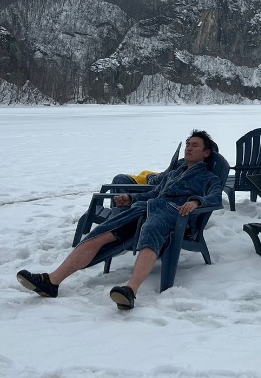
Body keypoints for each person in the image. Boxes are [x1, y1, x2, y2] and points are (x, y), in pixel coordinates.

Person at [16, 130, 222, 311]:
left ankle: (130, 290)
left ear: (206, 153)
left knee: (151, 229)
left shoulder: (207, 177)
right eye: (187, 144)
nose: (188, 148)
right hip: (144, 211)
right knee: (101, 234)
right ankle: (52, 281)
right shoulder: (174, 173)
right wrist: (131, 198)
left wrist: (196, 201)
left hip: (175, 218)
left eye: (195, 145)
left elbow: (215, 196)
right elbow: (154, 194)